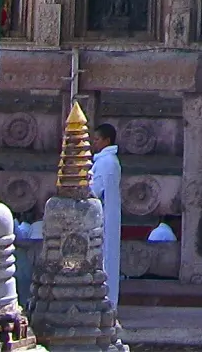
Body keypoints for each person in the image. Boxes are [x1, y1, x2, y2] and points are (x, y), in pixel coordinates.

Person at [89, 123, 122, 308]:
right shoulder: (109, 161)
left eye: (97, 140)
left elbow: (94, 190)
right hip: (109, 215)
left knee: (104, 259)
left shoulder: (105, 162)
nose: (94, 143)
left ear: (107, 141)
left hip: (103, 217)